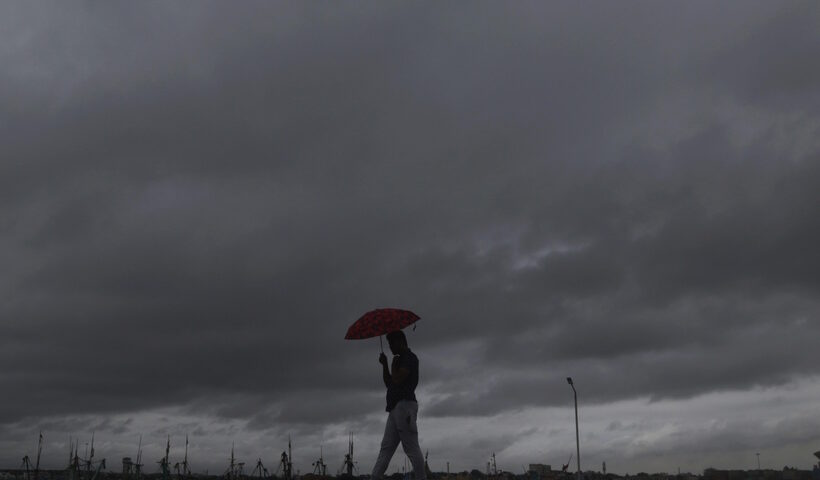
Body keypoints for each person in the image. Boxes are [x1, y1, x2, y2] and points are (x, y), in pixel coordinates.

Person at [371, 330, 426, 480]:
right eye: (388, 344)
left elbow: (398, 379)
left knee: (411, 448)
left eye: (392, 343)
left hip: (405, 406)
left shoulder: (409, 358)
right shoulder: (400, 359)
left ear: (401, 341)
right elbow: (389, 383)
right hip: (395, 408)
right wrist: (385, 365)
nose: (390, 347)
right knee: (386, 449)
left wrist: (393, 365)